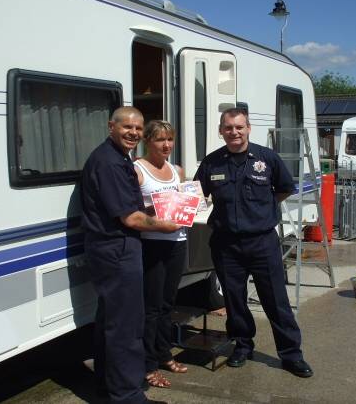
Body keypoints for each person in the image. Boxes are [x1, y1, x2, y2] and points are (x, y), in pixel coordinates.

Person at [194, 107, 313, 378]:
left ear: (248, 128)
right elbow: (197, 194)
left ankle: (291, 355)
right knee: (235, 301)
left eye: (239, 127)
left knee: (276, 301)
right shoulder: (212, 162)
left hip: (262, 243)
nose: (234, 132)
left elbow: (283, 189)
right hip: (226, 244)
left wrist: (261, 211)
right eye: (228, 128)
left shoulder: (266, 158)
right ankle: (242, 346)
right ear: (220, 131)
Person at [81, 107, 179, 403]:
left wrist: (165, 207)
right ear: (112, 126)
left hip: (111, 249)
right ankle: (128, 395)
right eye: (127, 127)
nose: (134, 133)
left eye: (138, 128)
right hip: (117, 250)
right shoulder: (110, 162)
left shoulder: (115, 157)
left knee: (110, 323)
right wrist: (167, 224)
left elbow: (130, 205)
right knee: (125, 328)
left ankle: (106, 386)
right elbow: (130, 219)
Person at [133, 121, 188, 389]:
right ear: (147, 141)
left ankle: (165, 354)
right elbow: (132, 210)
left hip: (177, 242)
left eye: (169, 139)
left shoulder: (177, 170)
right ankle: (148, 365)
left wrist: (193, 205)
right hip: (152, 244)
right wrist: (157, 210)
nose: (166, 145)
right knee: (151, 309)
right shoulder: (138, 170)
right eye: (159, 140)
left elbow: (186, 203)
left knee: (168, 304)